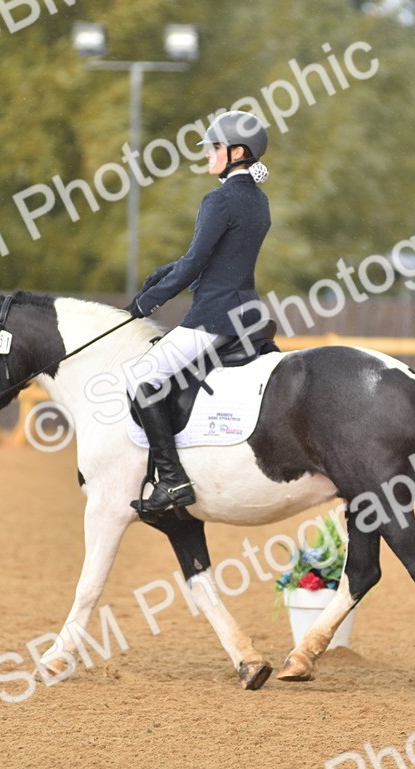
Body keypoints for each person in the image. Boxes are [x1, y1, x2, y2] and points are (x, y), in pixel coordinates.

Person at [126, 110, 271, 515]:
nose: (208, 153)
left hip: (214, 316)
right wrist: (163, 273)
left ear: (237, 152)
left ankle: (171, 480)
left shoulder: (220, 200)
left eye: (215, 147)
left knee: (141, 376)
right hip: (248, 316)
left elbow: (195, 265)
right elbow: (210, 258)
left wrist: (145, 303)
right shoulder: (258, 201)